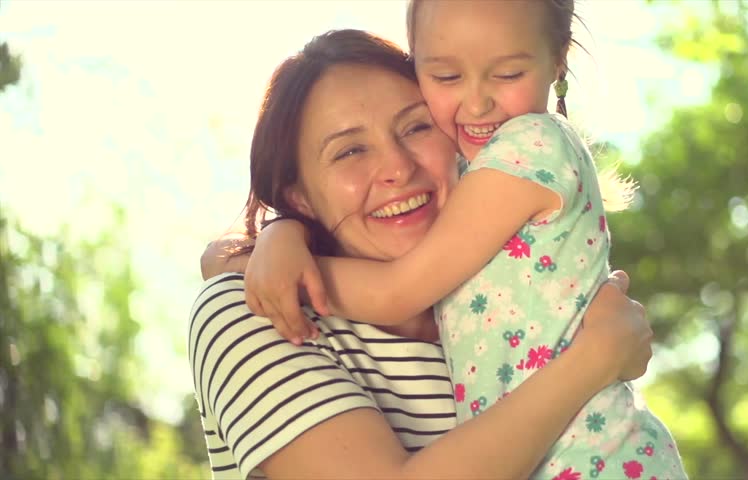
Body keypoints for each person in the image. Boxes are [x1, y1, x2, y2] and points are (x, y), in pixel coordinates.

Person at [242, 1, 687, 479]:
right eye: (447, 77)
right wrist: (279, 234)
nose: (476, 104)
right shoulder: (465, 170)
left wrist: (258, 263)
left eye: (509, 72)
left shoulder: (531, 147)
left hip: (599, 459)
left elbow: (395, 291)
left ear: (558, 60)